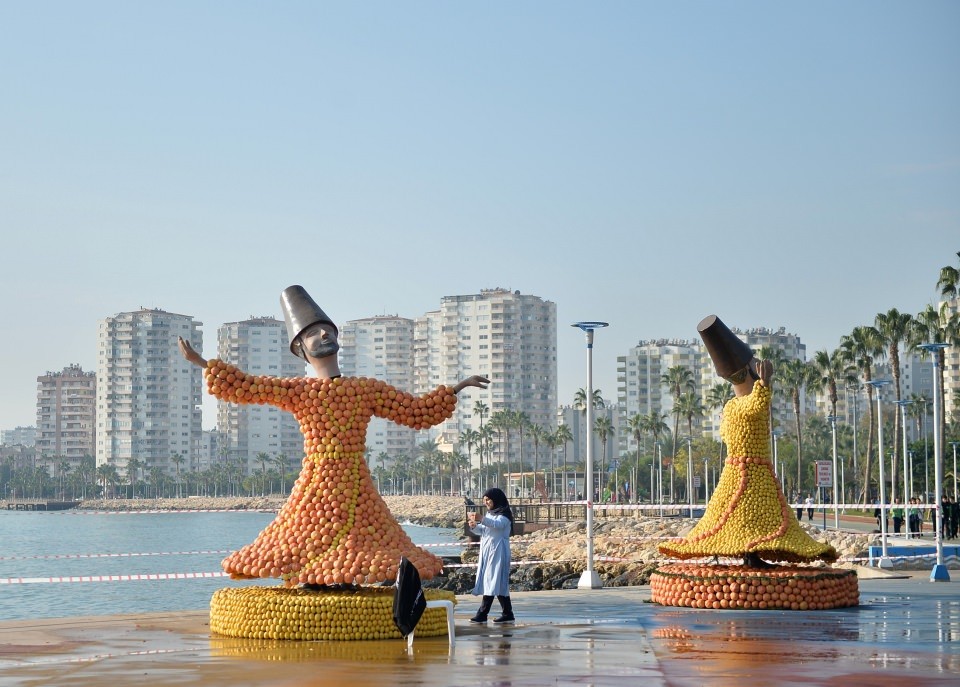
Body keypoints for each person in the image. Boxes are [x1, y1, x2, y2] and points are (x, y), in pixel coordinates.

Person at [178, 285, 489, 587]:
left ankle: (343, 581)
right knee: (303, 534)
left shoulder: (365, 390)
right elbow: (248, 385)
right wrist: (202, 363)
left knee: (368, 539)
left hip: (356, 484)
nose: (323, 334)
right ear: (300, 348)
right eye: (313, 332)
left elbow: (417, 411)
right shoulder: (299, 391)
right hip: (317, 482)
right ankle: (314, 580)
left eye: (327, 329)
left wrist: (456, 387)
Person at [659, 315, 837, 567]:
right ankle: (749, 555)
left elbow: (742, 419)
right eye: (755, 363)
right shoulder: (744, 405)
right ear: (749, 372)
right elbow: (758, 405)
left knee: (741, 515)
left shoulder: (730, 406)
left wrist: (763, 386)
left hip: (736, 470)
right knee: (747, 515)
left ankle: (750, 555)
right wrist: (765, 384)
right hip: (753, 471)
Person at [467, 487, 515, 624]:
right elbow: (484, 530)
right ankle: (507, 613)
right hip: (488, 550)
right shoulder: (490, 514)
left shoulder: (505, 514)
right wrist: (474, 526)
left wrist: (481, 518)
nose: (486, 502)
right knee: (495, 581)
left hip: (499, 550)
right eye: (484, 500)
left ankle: (483, 613)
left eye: (488, 499)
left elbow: (498, 525)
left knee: (494, 580)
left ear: (496, 499)